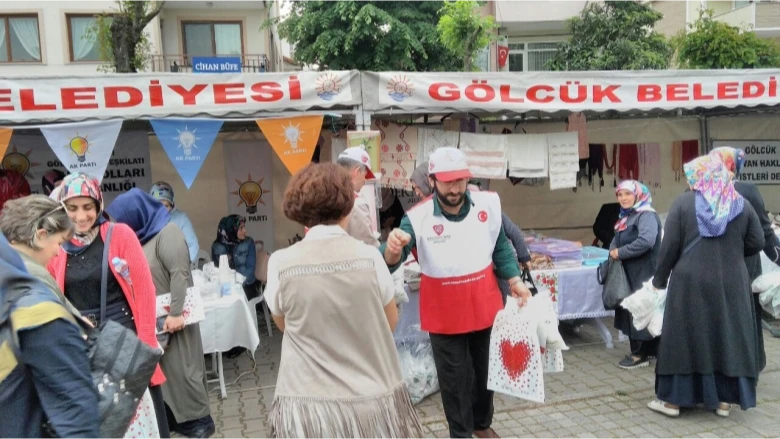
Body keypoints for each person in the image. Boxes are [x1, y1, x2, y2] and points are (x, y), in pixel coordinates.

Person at [381, 147, 531, 439]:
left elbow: (500, 247)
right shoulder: (417, 217)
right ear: (433, 180)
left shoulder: (487, 205)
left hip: (484, 307)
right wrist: (390, 250)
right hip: (444, 315)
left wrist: (514, 279)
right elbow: (392, 260)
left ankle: (481, 424)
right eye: (448, 181)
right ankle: (460, 433)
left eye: (460, 180)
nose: (455, 187)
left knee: (485, 375)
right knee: (454, 380)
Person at [265, 163, 424, 438]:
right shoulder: (371, 257)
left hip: (305, 408)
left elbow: (285, 325)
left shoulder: (280, 262)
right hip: (370, 403)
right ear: (348, 206)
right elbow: (389, 322)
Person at [47, 172, 167, 437]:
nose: (81, 216)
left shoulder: (119, 234)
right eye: (73, 208)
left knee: (135, 423)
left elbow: (145, 289)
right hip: (84, 348)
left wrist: (147, 344)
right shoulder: (58, 247)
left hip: (125, 343)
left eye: (88, 207)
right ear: (63, 208)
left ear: (99, 205)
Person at [649, 155, 764, 418]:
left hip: (689, 281)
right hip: (732, 281)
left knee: (684, 337)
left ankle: (674, 402)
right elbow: (757, 242)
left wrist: (658, 280)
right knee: (726, 336)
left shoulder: (683, 203)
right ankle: (724, 402)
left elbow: (669, 248)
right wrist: (731, 252)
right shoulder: (741, 204)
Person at [108, 189, 215, 439]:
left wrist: (176, 313)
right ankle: (176, 419)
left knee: (185, 369)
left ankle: (199, 421)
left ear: (134, 214)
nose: (116, 225)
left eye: (120, 219)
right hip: (155, 320)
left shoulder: (169, 233)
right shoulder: (141, 238)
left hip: (175, 317)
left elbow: (180, 273)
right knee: (166, 373)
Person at [0, 202, 100, 439]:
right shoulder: (36, 301)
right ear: (41, 235)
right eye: (58, 242)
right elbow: (75, 409)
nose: (58, 252)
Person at [710, 146, 780, 372]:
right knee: (734, 313)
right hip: (729, 261)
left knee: (735, 312)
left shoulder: (743, 190)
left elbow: (763, 229)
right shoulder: (705, 189)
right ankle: (739, 363)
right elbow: (764, 231)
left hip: (729, 261)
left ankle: (741, 363)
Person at [608, 180, 662, 370]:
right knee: (634, 309)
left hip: (644, 272)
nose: (623, 198)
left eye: (627, 194)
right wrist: (613, 248)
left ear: (638, 195)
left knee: (641, 308)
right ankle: (648, 350)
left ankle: (640, 354)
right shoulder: (627, 216)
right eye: (620, 195)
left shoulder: (645, 215)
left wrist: (620, 253)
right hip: (630, 272)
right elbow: (617, 238)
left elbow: (646, 241)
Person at [467, 180, 532, 304]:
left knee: (506, 301)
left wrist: (524, 257)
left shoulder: (492, 211)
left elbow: (514, 232)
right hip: (483, 271)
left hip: (500, 266)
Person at [336, 146, 380, 247]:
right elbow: (369, 245)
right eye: (364, 175)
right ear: (357, 171)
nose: (365, 181)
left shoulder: (323, 194)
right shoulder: (356, 203)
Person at [150, 181, 200, 263]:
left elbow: (193, 246)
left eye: (166, 206)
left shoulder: (181, 218)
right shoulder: (146, 220)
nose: (162, 210)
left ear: (172, 205)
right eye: (158, 205)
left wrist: (181, 265)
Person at [211, 214, 259, 300]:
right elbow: (216, 271)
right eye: (241, 228)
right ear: (231, 230)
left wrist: (239, 283)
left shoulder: (248, 242)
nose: (245, 230)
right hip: (226, 288)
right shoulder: (217, 246)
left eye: (244, 227)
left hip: (246, 287)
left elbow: (251, 268)